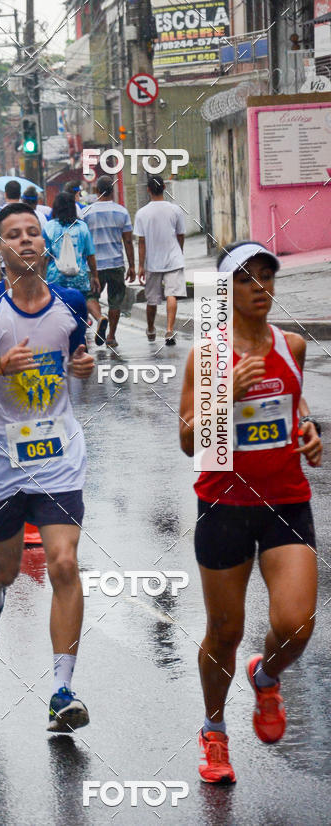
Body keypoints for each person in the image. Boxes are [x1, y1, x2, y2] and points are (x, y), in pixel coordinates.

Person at [0, 202, 95, 733]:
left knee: (65, 564)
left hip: (57, 457)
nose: (27, 240)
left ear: (44, 245)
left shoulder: (72, 303)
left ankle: (61, 689)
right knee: (5, 568)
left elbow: (78, 365)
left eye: (34, 232)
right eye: (14, 235)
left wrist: (83, 366)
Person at [178, 241, 322, 785]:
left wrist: (307, 430)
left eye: (267, 276)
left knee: (296, 626)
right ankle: (214, 729)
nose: (260, 288)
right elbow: (188, 442)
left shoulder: (291, 346)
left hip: (286, 499)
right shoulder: (207, 357)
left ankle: (266, 678)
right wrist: (224, 399)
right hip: (224, 503)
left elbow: (294, 404)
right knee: (224, 630)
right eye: (246, 279)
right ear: (225, 291)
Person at [82, 175, 135, 348]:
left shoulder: (86, 213)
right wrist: (132, 265)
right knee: (115, 301)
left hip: (94, 266)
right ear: (112, 191)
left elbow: (82, 241)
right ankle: (111, 336)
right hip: (116, 264)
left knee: (91, 296)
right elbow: (128, 241)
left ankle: (99, 319)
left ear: (97, 191)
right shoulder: (122, 212)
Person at [135, 175, 186, 346]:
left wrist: (140, 266)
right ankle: (169, 330)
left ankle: (150, 328)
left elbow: (141, 242)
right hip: (174, 258)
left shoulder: (141, 213)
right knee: (172, 294)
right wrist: (179, 252)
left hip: (152, 262)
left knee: (152, 299)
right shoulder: (175, 210)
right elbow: (181, 235)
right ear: (164, 187)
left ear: (148, 189)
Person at [43, 192, 100, 298]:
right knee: (79, 310)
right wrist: (95, 276)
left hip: (55, 280)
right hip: (79, 279)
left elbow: (45, 258)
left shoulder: (48, 227)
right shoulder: (82, 227)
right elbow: (90, 255)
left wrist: (41, 279)